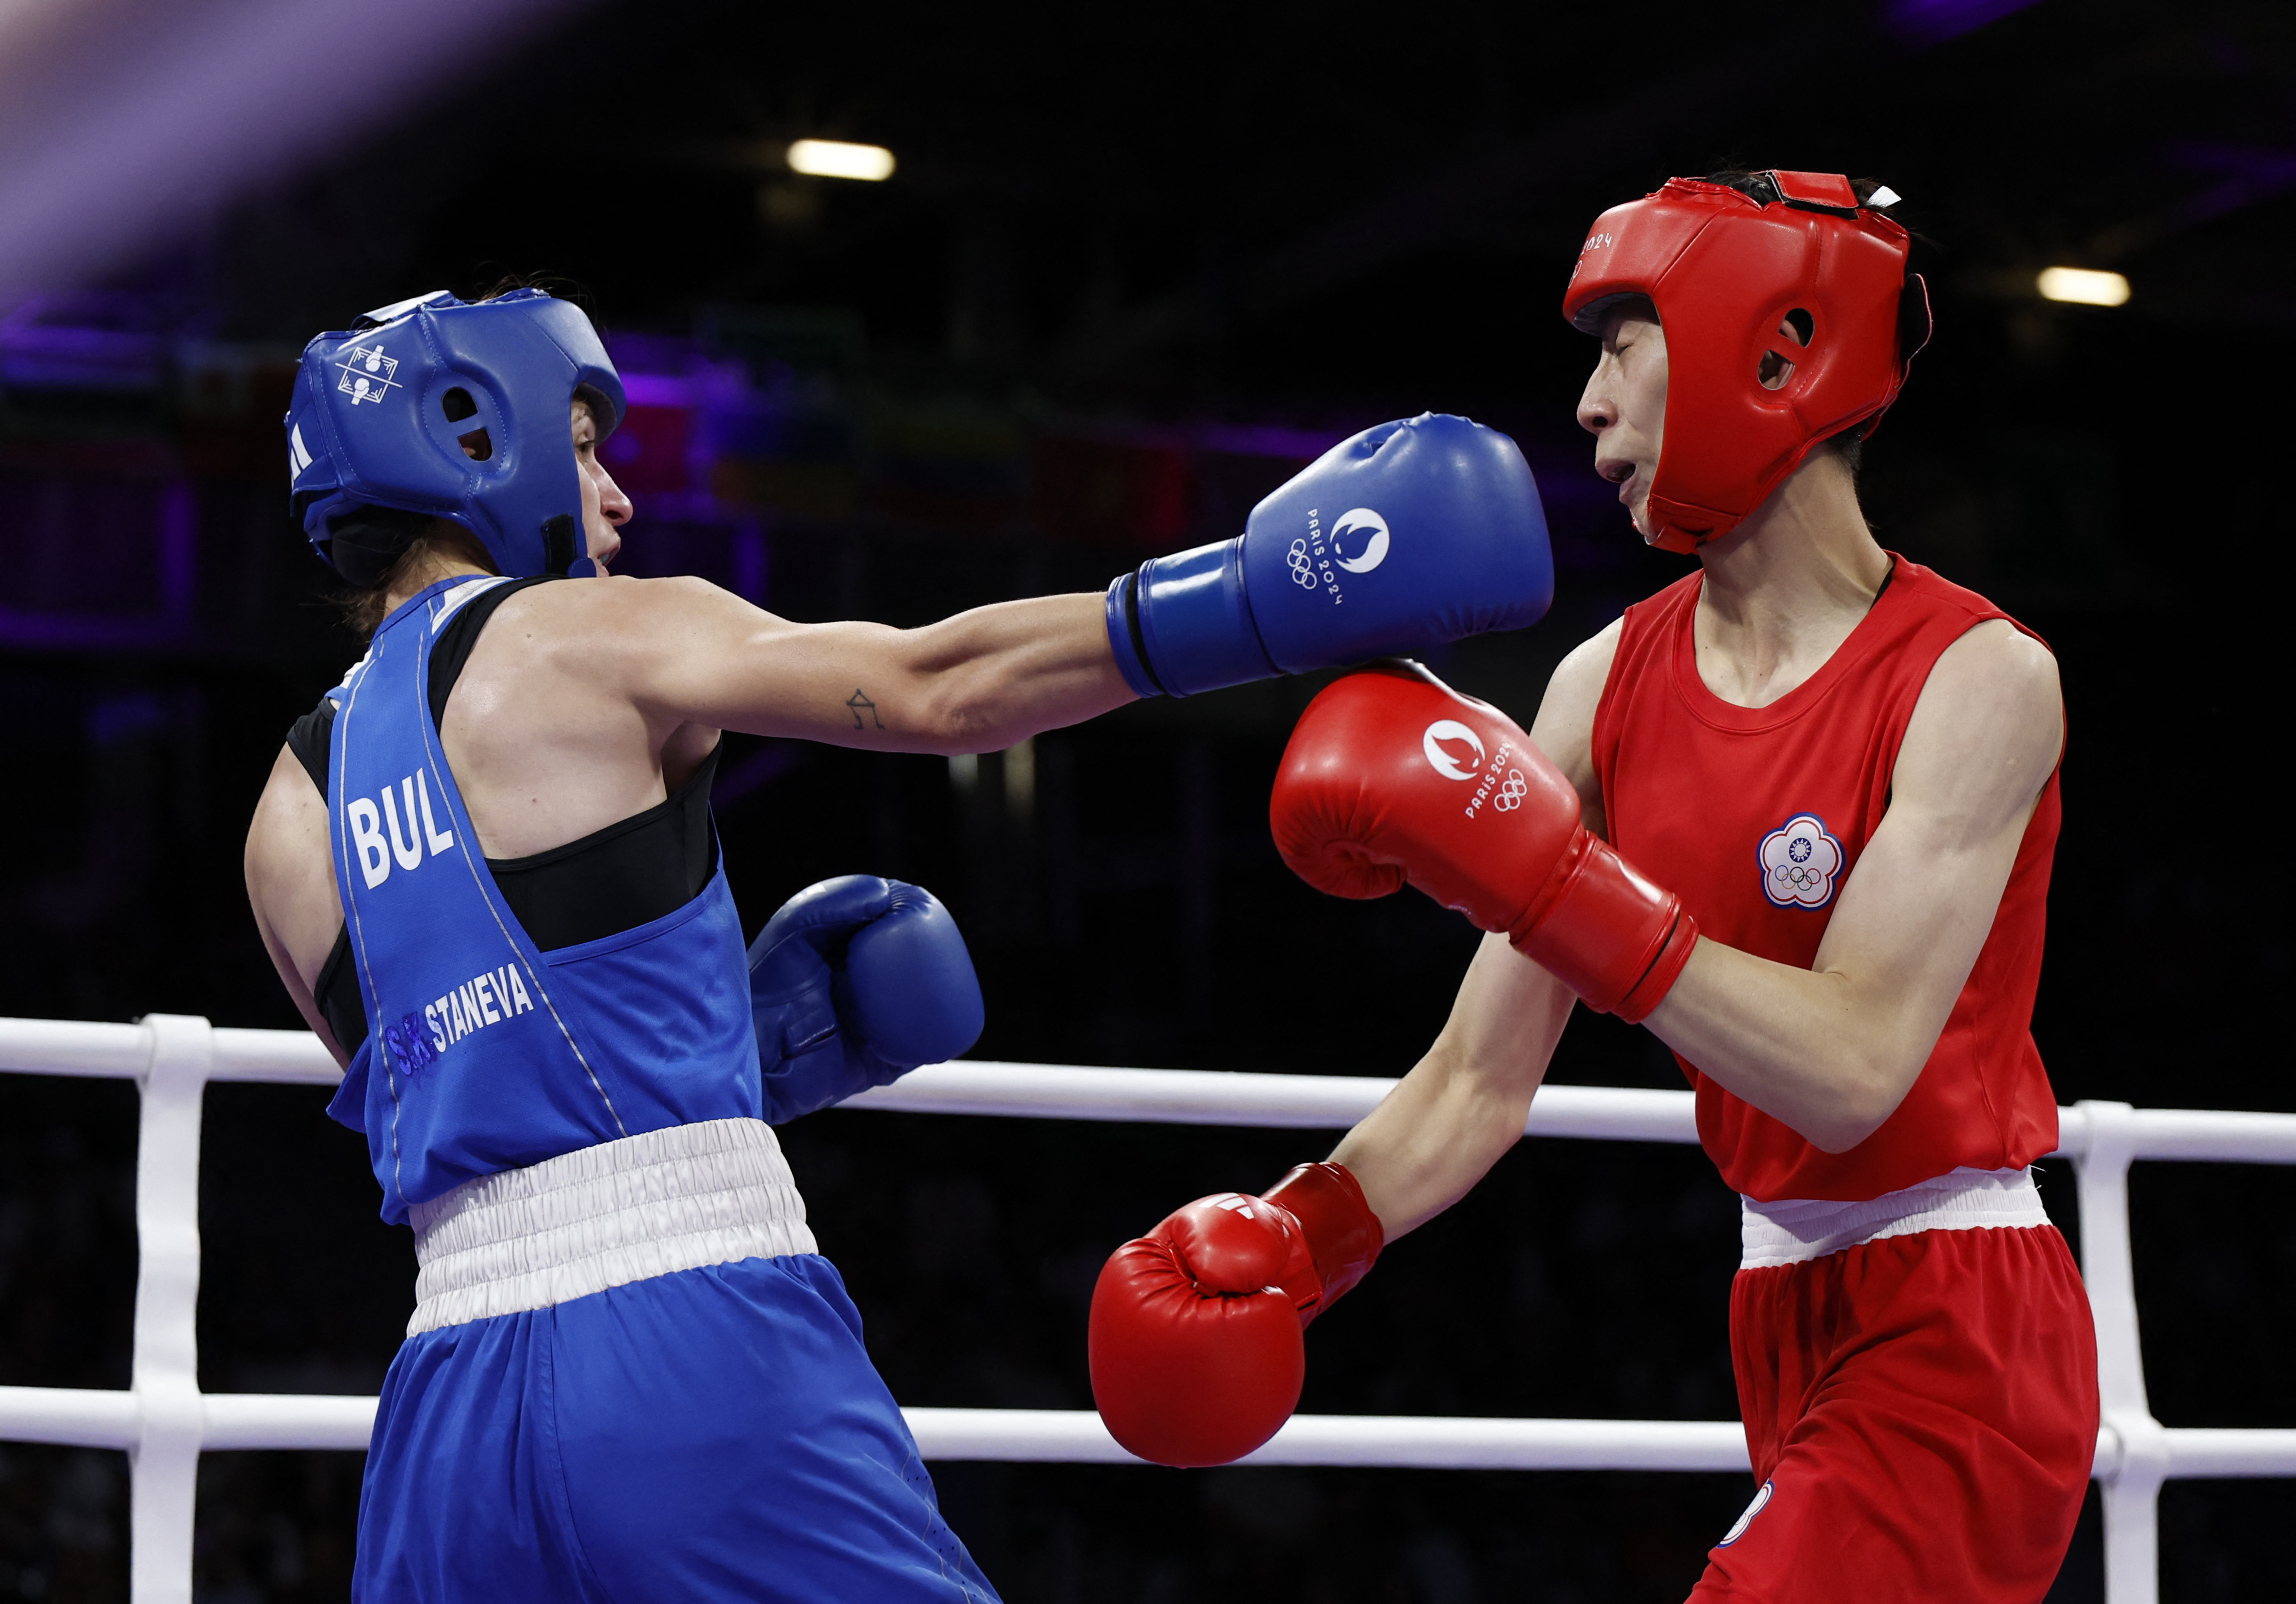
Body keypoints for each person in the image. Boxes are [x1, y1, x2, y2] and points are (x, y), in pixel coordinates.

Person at [243, 286, 1554, 1600]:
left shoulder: (282, 824)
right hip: (689, 1342)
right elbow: (939, 686)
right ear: (474, 431)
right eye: (585, 448)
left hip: (444, 1406)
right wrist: (1261, 601)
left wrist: (736, 1059)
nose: (616, 499)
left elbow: (460, 1093)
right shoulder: (579, 634)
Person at [1090, 171, 2099, 1601]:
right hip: (1774, 1300)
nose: (1586, 405)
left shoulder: (1977, 678)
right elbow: (1475, 1081)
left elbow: (1855, 1065)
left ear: (1771, 347)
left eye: (1624, 343)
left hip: (1959, 1315)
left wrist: (1564, 885)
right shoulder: (1601, 683)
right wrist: (1304, 1232)